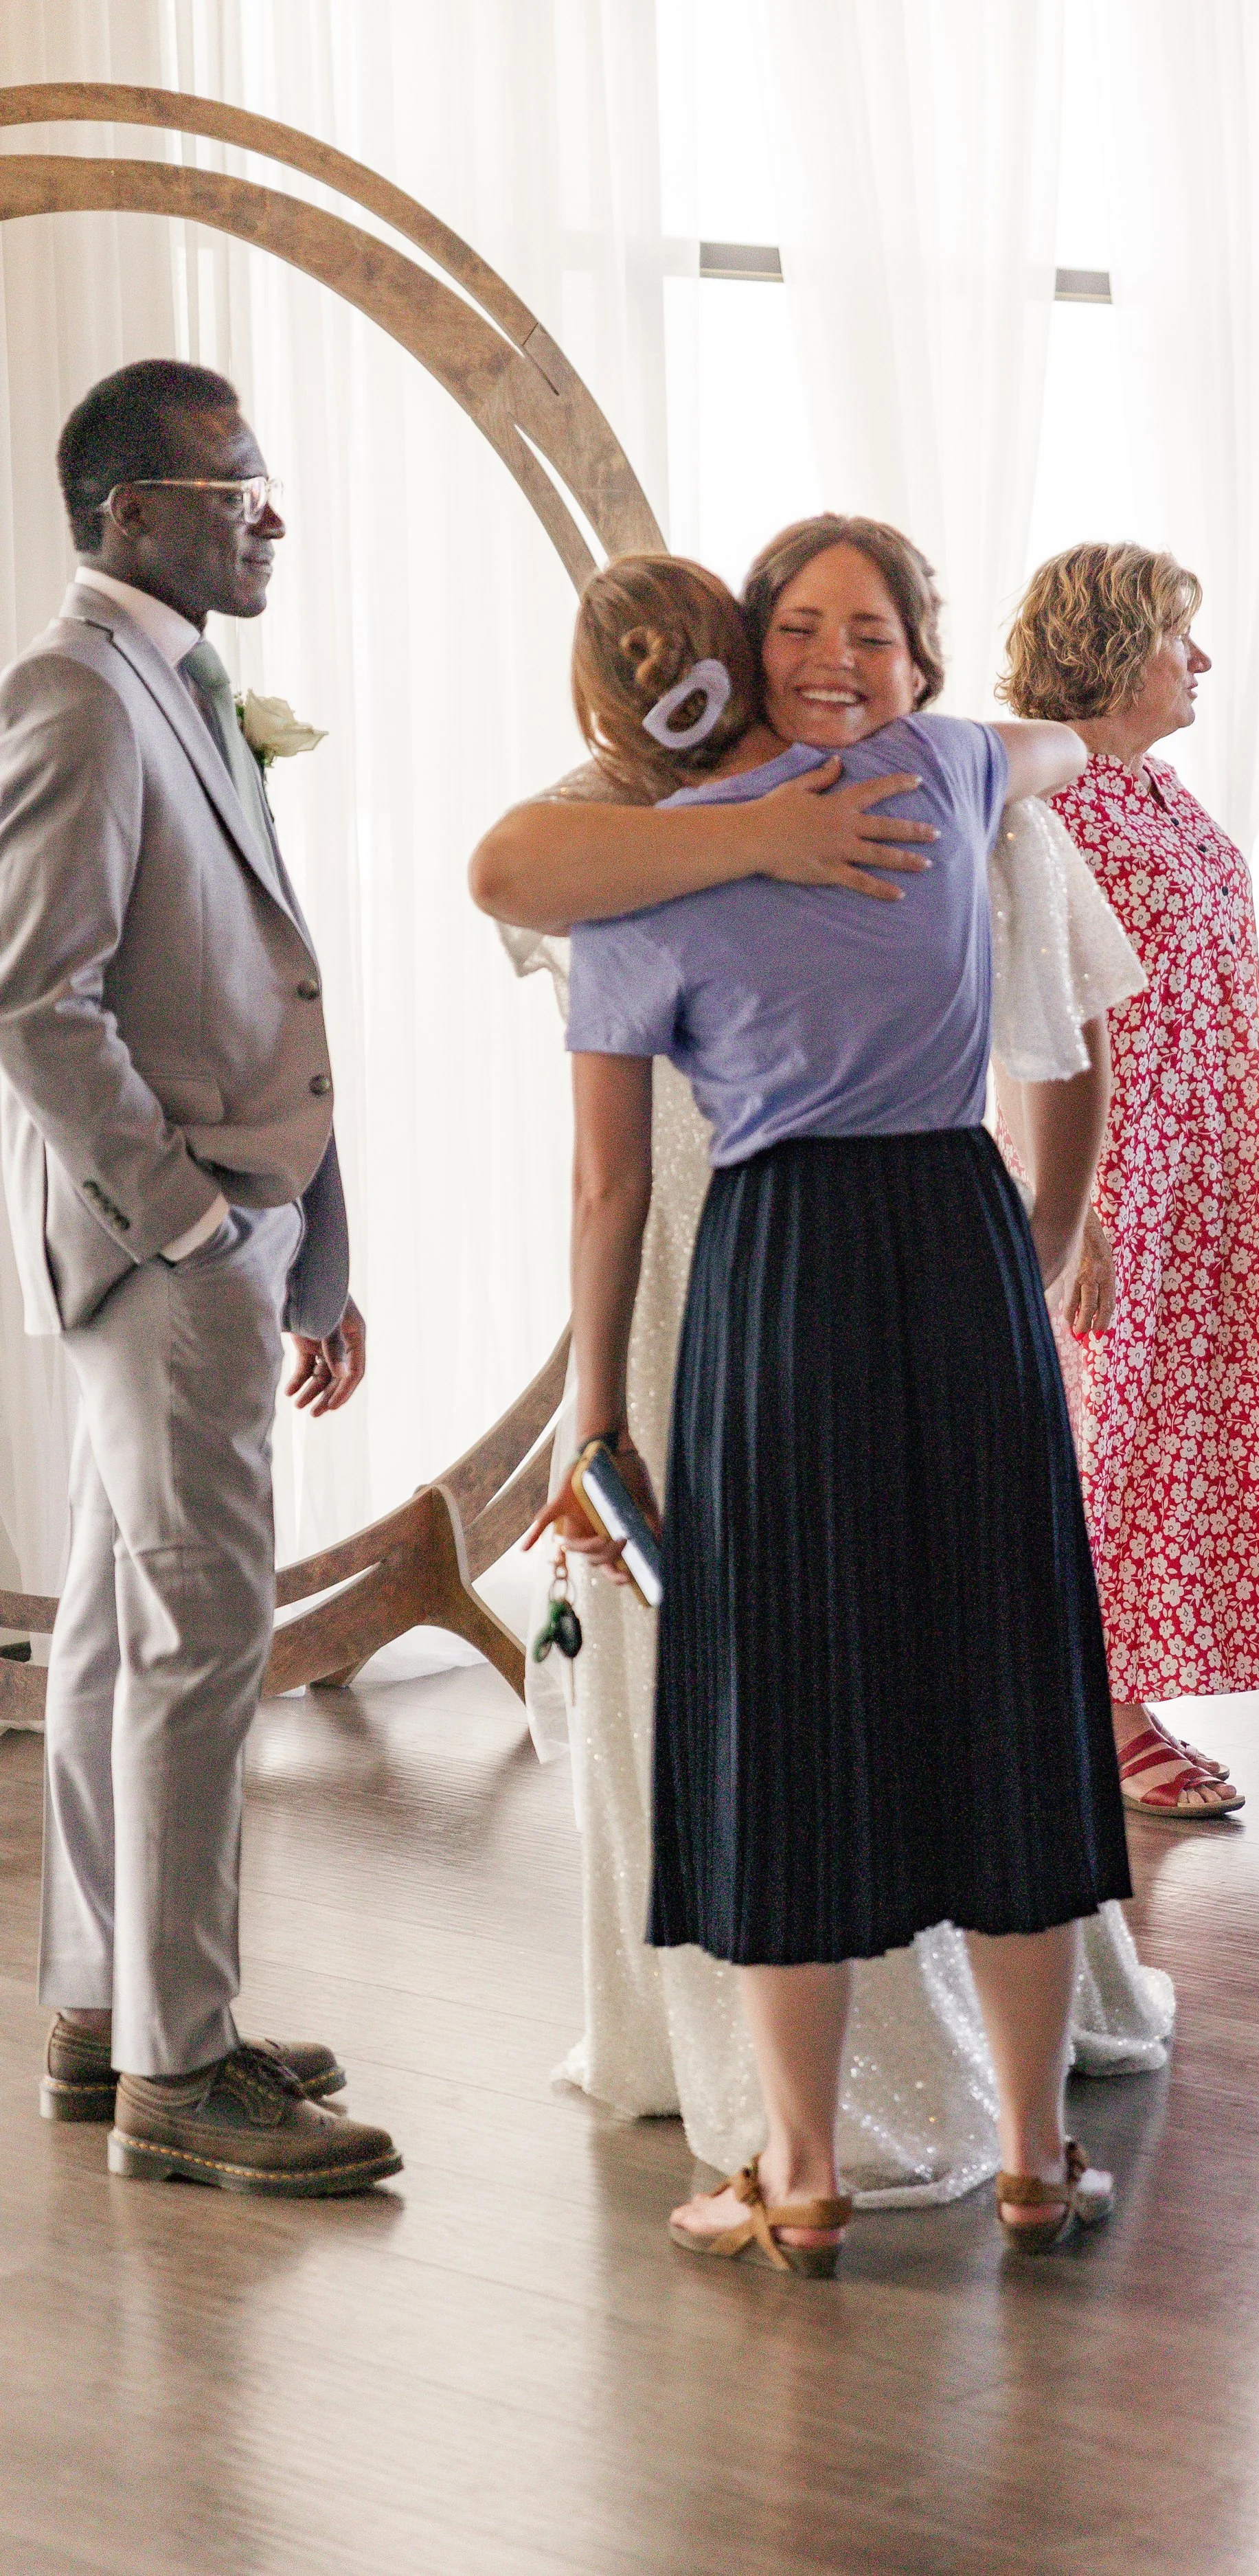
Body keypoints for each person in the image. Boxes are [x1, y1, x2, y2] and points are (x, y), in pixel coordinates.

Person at [473, 541, 1169, 2215]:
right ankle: (1027, 2154)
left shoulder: (631, 880)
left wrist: (593, 1425)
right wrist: (996, 736)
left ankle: (794, 2175)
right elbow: (1066, 746)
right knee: (1003, 1688)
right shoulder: (938, 767)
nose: (836, 655)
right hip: (957, 1244)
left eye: (866, 631)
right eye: (806, 628)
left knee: (782, 1709)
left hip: (775, 1275)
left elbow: (605, 1185)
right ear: (748, 649)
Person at [0, 360, 400, 2195]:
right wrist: (191, 1220)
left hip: (222, 1227)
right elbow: (36, 998)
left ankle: (110, 2007)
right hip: (166, 1242)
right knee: (198, 1638)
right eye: (236, 487)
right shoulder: (79, 691)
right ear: (129, 510)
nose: (271, 516)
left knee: (115, 1629)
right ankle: (186, 2064)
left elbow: (266, 979)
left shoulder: (182, 682)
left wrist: (316, 1242)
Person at [999, 542, 1259, 1819]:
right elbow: (1030, 1019)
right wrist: (1066, 1212)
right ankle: (1103, 1710)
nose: (1198, 661)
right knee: (1106, 1443)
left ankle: (1118, 1690)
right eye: (1173, 639)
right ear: (1105, 647)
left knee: (1165, 1441)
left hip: (1203, 1167)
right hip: (1108, 1173)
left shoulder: (1151, 788)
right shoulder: (1050, 803)